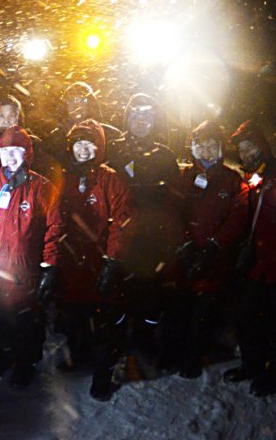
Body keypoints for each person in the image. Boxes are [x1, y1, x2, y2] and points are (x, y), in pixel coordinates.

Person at [0, 126, 62, 386]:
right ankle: (4, 355)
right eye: (5, 151)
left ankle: (25, 363)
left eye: (17, 151)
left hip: (25, 272)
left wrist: (49, 267)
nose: (10, 157)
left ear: (27, 154)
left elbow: (55, 230)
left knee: (27, 322)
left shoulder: (42, 188)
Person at [56, 118, 134, 401]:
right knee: (74, 317)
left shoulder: (110, 179)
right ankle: (77, 358)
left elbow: (122, 222)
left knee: (103, 323)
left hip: (100, 263)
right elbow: (56, 219)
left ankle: (103, 374)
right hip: (71, 263)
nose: (84, 149)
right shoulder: (64, 178)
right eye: (79, 143)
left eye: (90, 143)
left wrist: (113, 261)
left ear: (99, 147)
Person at [171, 120, 249, 379]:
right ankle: (176, 352)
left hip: (214, 261)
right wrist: (184, 246)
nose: (206, 150)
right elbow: (172, 212)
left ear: (219, 149)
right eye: (201, 145)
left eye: (211, 145)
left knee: (204, 314)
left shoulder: (231, 180)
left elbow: (237, 217)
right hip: (184, 258)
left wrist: (214, 248)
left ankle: (194, 357)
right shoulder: (183, 177)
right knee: (180, 310)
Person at [108, 94, 182, 365]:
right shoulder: (114, 150)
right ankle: (116, 338)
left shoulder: (164, 155)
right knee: (117, 290)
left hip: (152, 237)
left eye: (147, 116)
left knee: (150, 291)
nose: (140, 121)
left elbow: (175, 200)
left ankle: (144, 336)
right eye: (135, 115)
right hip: (119, 234)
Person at [223, 121, 276, 396]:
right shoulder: (250, 180)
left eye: (250, 146)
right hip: (257, 265)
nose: (246, 153)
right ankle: (252, 364)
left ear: (262, 146)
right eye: (242, 149)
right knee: (247, 317)